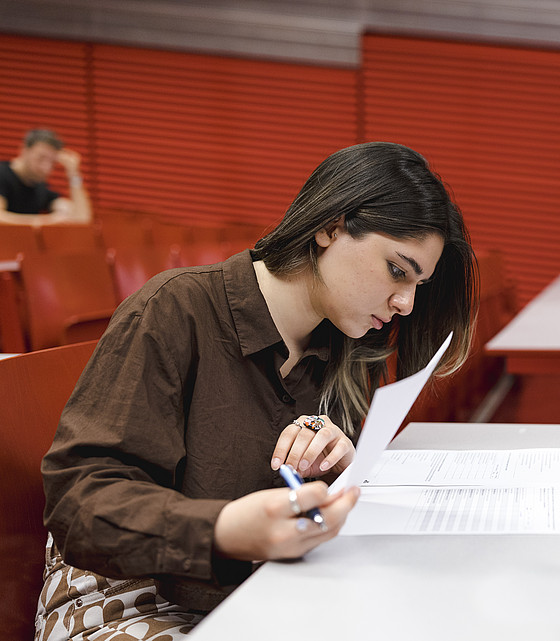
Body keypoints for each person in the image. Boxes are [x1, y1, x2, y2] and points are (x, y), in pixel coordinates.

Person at [37, 141, 477, 639]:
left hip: (265, 592)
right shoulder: (175, 310)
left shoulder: (351, 340)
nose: (405, 304)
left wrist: (342, 470)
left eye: (418, 284)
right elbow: (78, 503)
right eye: (398, 270)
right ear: (331, 226)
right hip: (131, 597)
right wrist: (223, 530)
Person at [0, 128, 92, 225]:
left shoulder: (40, 188)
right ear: (24, 150)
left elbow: (81, 218)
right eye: (41, 158)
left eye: (52, 162)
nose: (46, 167)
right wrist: (45, 221)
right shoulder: (2, 174)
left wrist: (74, 173)